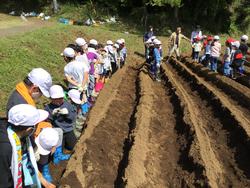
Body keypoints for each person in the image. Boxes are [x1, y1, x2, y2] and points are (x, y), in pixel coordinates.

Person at [0, 104, 49, 188]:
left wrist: (42, 180)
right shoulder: (5, 149)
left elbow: (26, 161)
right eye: (36, 125)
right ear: (29, 130)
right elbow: (4, 183)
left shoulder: (17, 132)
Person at [45, 85, 77, 155]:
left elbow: (73, 118)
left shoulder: (68, 105)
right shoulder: (48, 107)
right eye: (56, 99)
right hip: (57, 132)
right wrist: (52, 115)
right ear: (51, 98)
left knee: (74, 146)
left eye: (60, 98)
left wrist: (68, 114)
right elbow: (47, 121)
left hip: (68, 130)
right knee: (58, 151)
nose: (59, 101)